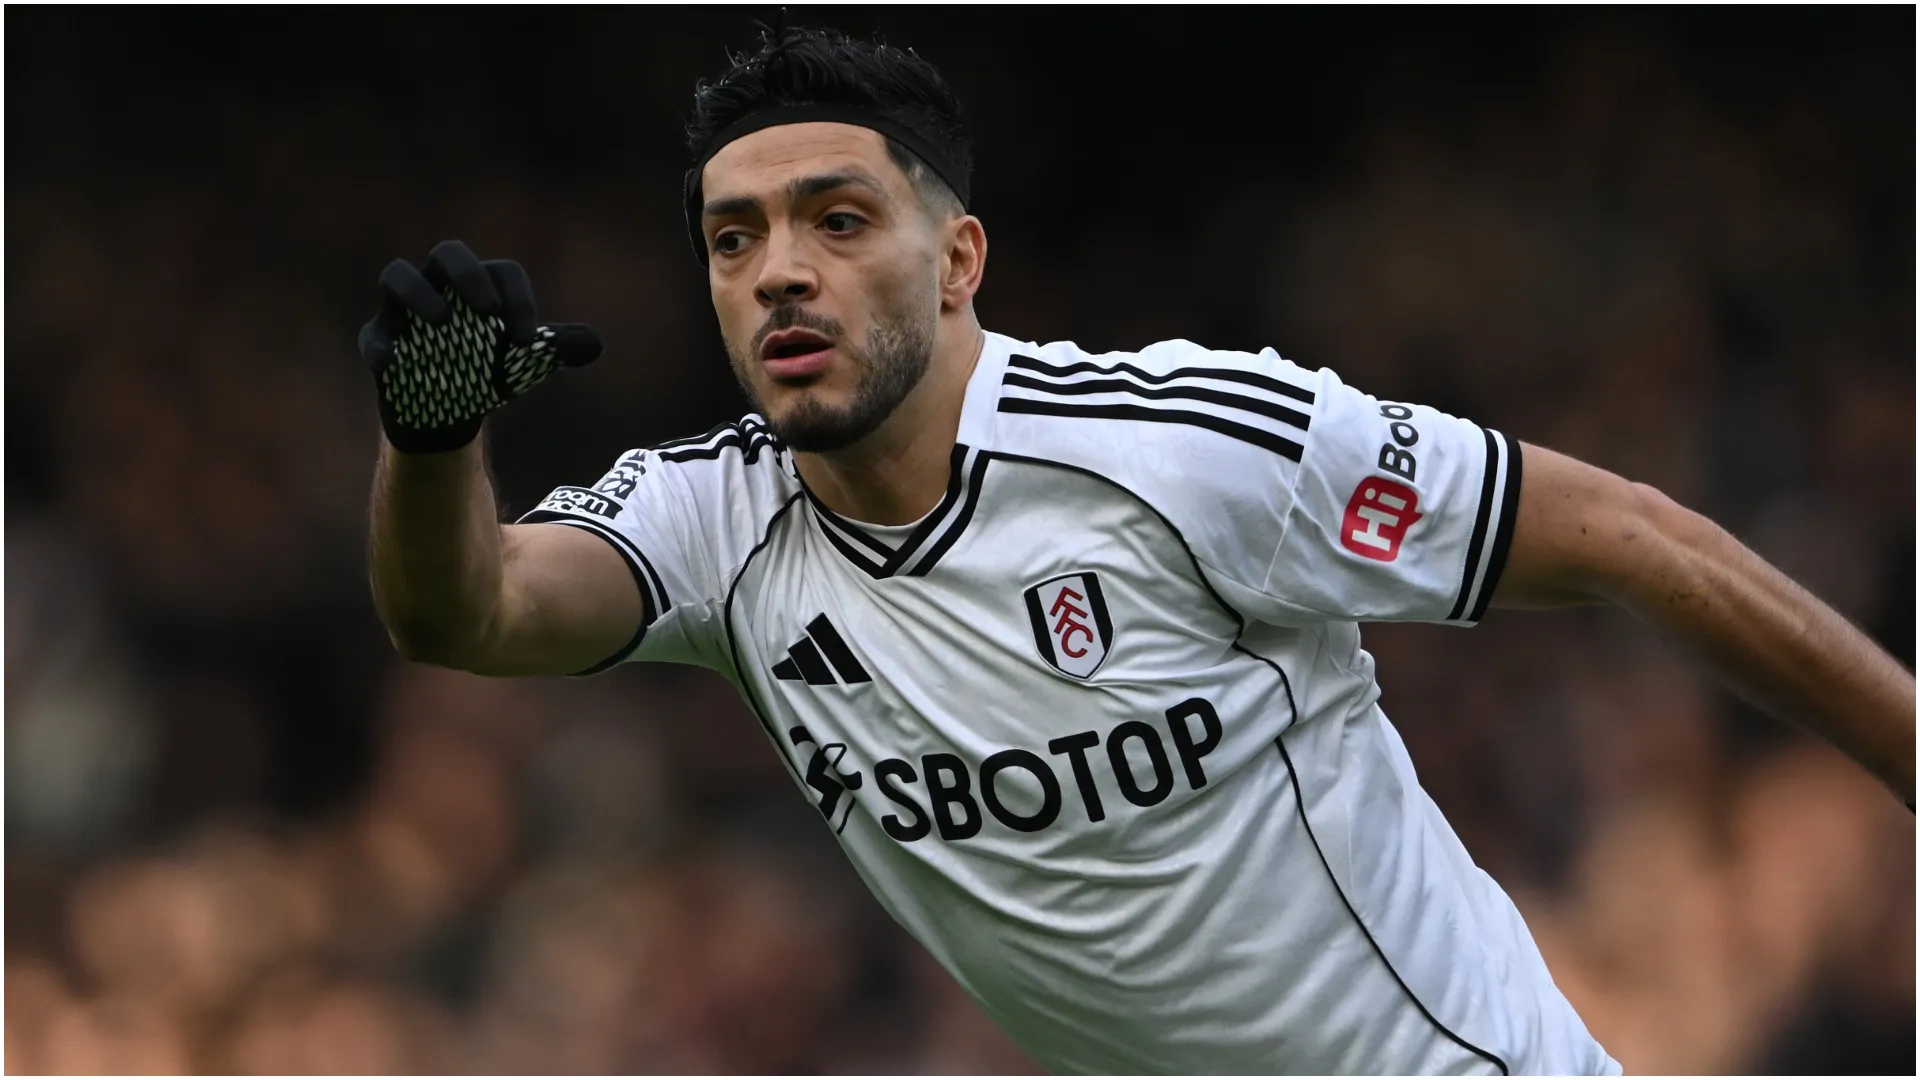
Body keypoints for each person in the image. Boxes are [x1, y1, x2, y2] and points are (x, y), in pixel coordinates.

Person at [361, 25, 1915, 1076]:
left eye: (837, 219)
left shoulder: (1189, 449)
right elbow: (468, 609)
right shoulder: (712, 520)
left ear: (959, 258)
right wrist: (432, 447)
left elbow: (1643, 538)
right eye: (734, 235)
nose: (780, 273)